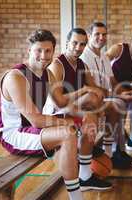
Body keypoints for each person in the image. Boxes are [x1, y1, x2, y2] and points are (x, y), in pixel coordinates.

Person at [0, 29, 98, 200]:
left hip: (33, 130)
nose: (44, 55)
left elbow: (61, 102)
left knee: (86, 118)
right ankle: (77, 197)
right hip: (13, 133)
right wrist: (71, 124)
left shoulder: (48, 74)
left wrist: (83, 117)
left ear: (53, 51)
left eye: (48, 51)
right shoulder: (17, 77)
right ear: (29, 50)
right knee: (67, 134)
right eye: (38, 50)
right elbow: (36, 120)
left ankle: (84, 175)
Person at [42, 28, 112, 191]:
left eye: (82, 44)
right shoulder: (57, 65)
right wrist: (86, 96)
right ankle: (85, 173)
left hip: (73, 110)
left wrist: (97, 100)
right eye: (74, 43)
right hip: (55, 113)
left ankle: (86, 174)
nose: (78, 47)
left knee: (98, 105)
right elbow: (59, 101)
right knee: (91, 104)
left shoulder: (81, 64)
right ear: (67, 43)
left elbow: (96, 90)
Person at [80, 22, 132, 169]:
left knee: (126, 100)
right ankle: (112, 152)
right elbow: (90, 88)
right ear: (89, 36)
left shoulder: (104, 56)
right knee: (117, 104)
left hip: (104, 96)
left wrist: (124, 92)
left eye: (104, 34)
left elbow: (113, 81)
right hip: (89, 99)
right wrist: (118, 95)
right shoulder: (83, 57)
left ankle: (118, 150)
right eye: (97, 34)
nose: (101, 37)